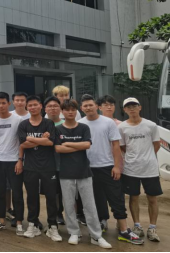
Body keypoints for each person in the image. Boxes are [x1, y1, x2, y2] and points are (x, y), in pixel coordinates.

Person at [78, 94, 143, 245]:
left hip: (108, 167)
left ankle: (124, 230)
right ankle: (100, 225)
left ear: (96, 106)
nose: (88, 107)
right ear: (81, 108)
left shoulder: (108, 122)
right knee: (95, 199)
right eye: (85, 106)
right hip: (88, 168)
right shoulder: (79, 124)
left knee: (116, 198)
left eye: (91, 105)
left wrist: (117, 166)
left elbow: (116, 145)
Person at [55, 99, 112, 249]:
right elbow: (58, 149)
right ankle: (74, 232)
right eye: (67, 109)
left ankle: (96, 236)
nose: (70, 112)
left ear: (76, 111)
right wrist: (77, 146)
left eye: (73, 109)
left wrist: (68, 143)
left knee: (89, 205)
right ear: (62, 112)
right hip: (66, 172)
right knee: (68, 204)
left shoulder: (83, 127)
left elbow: (87, 144)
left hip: (84, 171)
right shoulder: (58, 129)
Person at [119, 97, 162, 242]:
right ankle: (137, 226)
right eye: (128, 107)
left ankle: (152, 228)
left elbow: (156, 144)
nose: (132, 109)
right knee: (133, 197)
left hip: (150, 168)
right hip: (131, 169)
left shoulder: (151, 125)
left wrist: (147, 157)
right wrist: (134, 157)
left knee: (152, 198)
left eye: (134, 106)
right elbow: (122, 146)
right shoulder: (122, 127)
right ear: (124, 110)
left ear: (140, 107)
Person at [17, 95, 60, 241]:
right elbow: (23, 144)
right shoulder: (23, 125)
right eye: (30, 105)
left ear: (41, 106)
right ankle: (33, 224)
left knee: (51, 197)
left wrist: (31, 139)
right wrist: (42, 139)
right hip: (30, 166)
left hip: (48, 166)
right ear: (27, 107)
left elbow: (50, 143)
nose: (33, 107)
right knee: (32, 197)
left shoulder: (48, 123)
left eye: (35, 105)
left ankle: (52, 226)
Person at [0, 92, 24, 235]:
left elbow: (21, 142)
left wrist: (20, 160)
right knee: (0, 192)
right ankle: (1, 221)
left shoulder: (18, 120)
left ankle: (19, 222)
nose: (1, 106)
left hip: (14, 161)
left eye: (3, 103)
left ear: (9, 104)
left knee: (17, 193)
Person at [44, 96, 65, 225]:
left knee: (65, 191)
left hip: (65, 163)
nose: (53, 109)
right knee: (52, 192)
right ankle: (56, 214)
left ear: (60, 108)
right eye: (50, 106)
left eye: (55, 106)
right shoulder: (42, 124)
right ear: (45, 109)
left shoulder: (66, 123)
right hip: (47, 163)